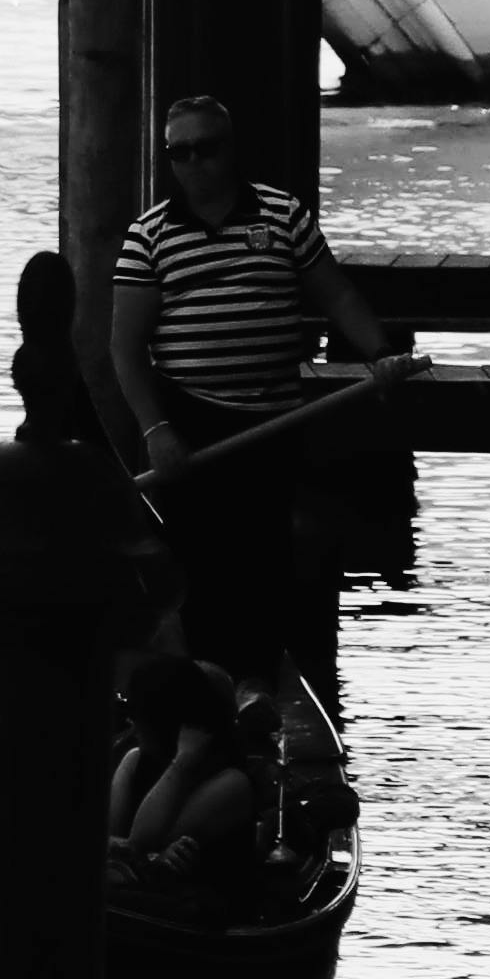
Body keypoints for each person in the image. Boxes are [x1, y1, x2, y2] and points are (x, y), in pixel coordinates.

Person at [105, 86, 389, 672]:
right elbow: (125, 348)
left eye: (204, 149)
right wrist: (156, 428)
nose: (192, 164)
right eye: (178, 153)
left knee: (267, 559)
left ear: (230, 149)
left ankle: (255, 679)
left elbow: (333, 292)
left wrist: (380, 354)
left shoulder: (283, 216)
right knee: (199, 563)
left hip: (274, 420)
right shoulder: (149, 236)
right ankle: (210, 683)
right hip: (190, 419)